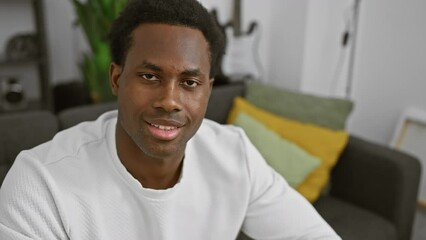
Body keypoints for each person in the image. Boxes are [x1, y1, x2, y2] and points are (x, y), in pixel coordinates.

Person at [0, 0, 341, 239]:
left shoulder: (234, 155)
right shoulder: (39, 184)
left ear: (208, 90)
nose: (169, 101)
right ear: (117, 79)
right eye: (150, 76)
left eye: (190, 83)